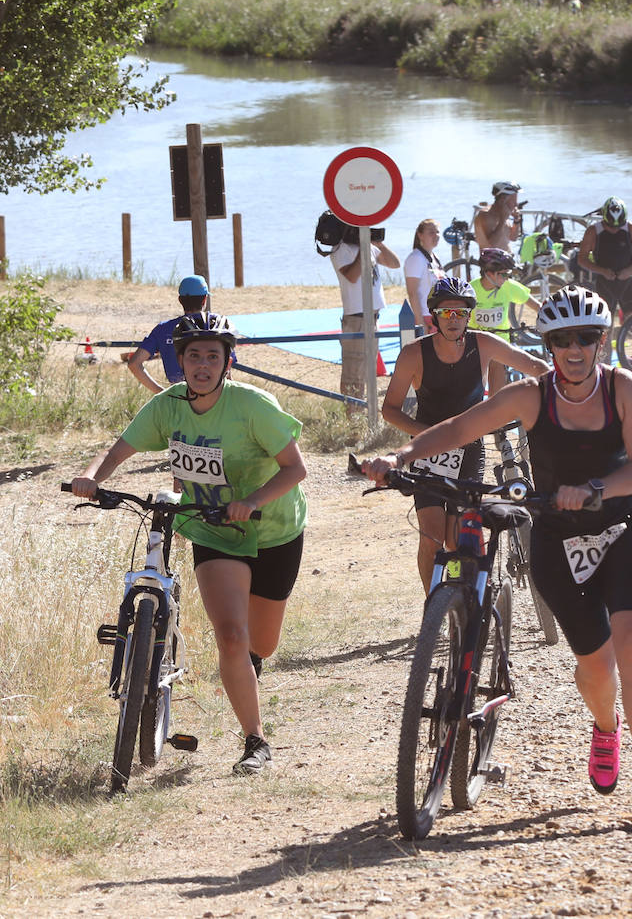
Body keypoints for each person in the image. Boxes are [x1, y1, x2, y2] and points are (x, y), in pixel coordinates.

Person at [363, 285, 632, 816]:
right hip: (557, 535)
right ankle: (606, 727)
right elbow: (459, 428)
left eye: (586, 339)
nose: (574, 350)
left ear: (600, 342)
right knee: (596, 666)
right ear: (548, 346)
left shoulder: (623, 388)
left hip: (624, 528)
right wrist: (404, 455)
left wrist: (597, 488)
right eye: (562, 340)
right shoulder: (531, 395)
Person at [70, 312, 308, 776]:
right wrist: (92, 478)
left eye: (212, 357)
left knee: (262, 641)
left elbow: (296, 469)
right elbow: (119, 450)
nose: (202, 365)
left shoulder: (253, 406)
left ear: (227, 363)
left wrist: (252, 500)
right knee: (232, 636)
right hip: (213, 530)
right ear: (179, 362)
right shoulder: (168, 405)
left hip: (275, 529)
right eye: (193, 356)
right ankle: (255, 740)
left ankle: (249, 666)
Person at [380, 277, 549, 591]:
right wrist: (428, 433)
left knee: (457, 538)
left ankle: (463, 598)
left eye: (460, 313)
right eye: (446, 313)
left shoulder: (483, 344)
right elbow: (389, 409)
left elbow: (531, 365)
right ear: (434, 316)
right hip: (428, 451)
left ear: (469, 315)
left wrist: (566, 384)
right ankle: (434, 605)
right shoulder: (413, 354)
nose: (454, 319)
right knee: (431, 536)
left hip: (470, 450)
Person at [577, 197, 632, 366]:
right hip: (605, 283)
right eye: (610, 226)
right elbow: (582, 259)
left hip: (627, 282)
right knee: (605, 329)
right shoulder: (593, 231)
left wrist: (630, 270)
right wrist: (602, 271)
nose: (614, 230)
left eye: (617, 226)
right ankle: (607, 367)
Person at [332, 228, 401, 402]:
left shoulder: (368, 247)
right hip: (356, 317)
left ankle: (363, 409)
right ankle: (352, 413)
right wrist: (364, 247)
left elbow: (394, 263)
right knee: (353, 373)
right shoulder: (341, 249)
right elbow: (352, 276)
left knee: (367, 371)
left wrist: (377, 243)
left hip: (373, 317)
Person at [472, 247, 545, 392]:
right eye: (504, 274)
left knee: (496, 395)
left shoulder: (508, 286)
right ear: (489, 273)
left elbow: (537, 306)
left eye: (509, 274)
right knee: (474, 394)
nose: (507, 278)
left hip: (500, 344)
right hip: (476, 344)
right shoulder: (471, 289)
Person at [128, 274, 215, 393]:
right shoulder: (216, 325)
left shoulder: (163, 329)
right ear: (205, 299)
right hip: (213, 398)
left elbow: (134, 364)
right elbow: (227, 373)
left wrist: (162, 393)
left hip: (179, 397)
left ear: (180, 300)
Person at [402, 219, 446, 343]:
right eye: (431, 232)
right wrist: (421, 323)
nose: (436, 235)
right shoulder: (416, 258)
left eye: (437, 232)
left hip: (438, 315)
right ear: (420, 235)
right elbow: (412, 292)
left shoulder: (434, 257)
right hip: (426, 317)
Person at [473, 181, 523, 252]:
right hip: (493, 261)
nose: (516, 204)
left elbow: (513, 238)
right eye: (513, 200)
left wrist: (516, 220)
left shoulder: (503, 213)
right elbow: (490, 247)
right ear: (503, 199)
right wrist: (502, 221)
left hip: (506, 259)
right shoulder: (485, 215)